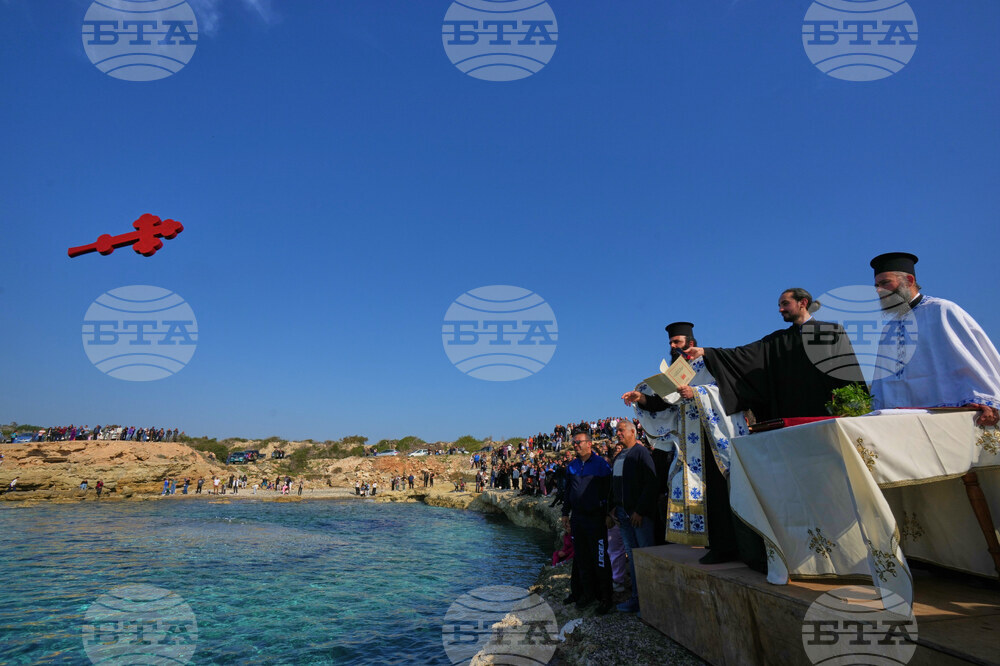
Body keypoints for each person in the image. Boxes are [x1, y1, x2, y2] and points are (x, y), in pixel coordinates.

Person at [623, 321, 752, 567]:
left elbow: (729, 388)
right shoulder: (677, 371)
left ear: (690, 343)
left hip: (716, 437)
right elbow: (664, 402)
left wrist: (698, 392)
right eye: (671, 343)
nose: (673, 346)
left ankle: (735, 546)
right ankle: (717, 544)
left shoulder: (709, 361)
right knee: (704, 491)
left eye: (677, 342)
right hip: (692, 441)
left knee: (722, 490)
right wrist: (641, 398)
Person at [685, 289, 864, 421]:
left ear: (803, 303)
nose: (780, 309)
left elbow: (848, 370)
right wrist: (706, 352)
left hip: (827, 415)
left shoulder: (831, 331)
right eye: (779, 305)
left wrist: (853, 408)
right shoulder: (776, 340)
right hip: (791, 419)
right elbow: (744, 354)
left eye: (785, 304)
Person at [869, 252, 1000, 425]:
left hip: (951, 415)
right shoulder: (888, 329)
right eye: (877, 285)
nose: (879, 290)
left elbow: (974, 358)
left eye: (885, 282)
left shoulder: (942, 310)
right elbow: (882, 380)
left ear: (909, 280)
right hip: (903, 421)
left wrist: (987, 398)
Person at [607, 420, 659, 613]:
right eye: (617, 430)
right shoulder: (620, 456)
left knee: (644, 556)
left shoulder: (641, 452)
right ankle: (637, 599)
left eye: (621, 430)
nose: (618, 433)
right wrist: (612, 509)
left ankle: (650, 602)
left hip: (638, 515)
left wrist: (640, 510)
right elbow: (615, 485)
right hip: (622, 514)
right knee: (634, 557)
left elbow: (651, 483)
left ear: (632, 431)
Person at [561, 428, 613, 615]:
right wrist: (565, 513)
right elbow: (568, 492)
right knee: (581, 558)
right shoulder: (572, 466)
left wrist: (609, 514)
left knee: (600, 558)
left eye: (579, 442)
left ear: (589, 444)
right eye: (574, 443)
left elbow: (609, 491)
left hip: (596, 518)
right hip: (578, 518)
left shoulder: (601, 465)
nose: (575, 445)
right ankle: (586, 593)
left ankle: (606, 598)